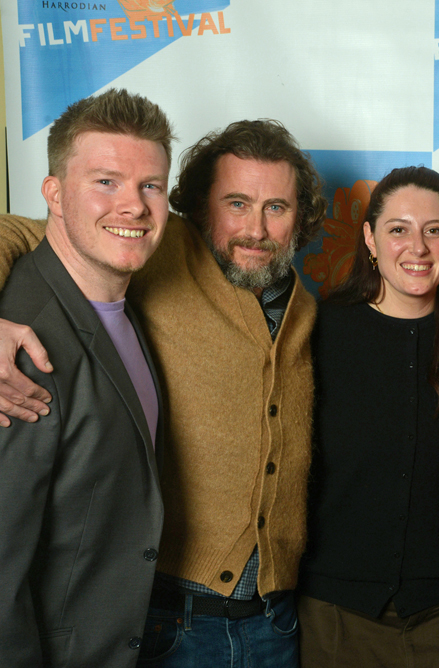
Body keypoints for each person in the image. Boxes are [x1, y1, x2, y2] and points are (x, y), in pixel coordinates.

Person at [0, 119, 327, 667]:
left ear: (300, 217)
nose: (256, 229)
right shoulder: (158, 244)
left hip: (276, 620)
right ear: (199, 207)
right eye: (237, 204)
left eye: (276, 207)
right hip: (174, 619)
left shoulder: (306, 309)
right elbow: (22, 232)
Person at [0, 89, 172, 666]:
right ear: (53, 193)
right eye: (106, 182)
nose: (134, 206)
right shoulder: (22, 350)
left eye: (151, 186)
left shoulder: (122, 305)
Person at [297, 165, 439, 667]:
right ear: (370, 238)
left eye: (434, 230)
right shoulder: (319, 331)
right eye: (398, 229)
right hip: (337, 616)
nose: (418, 247)